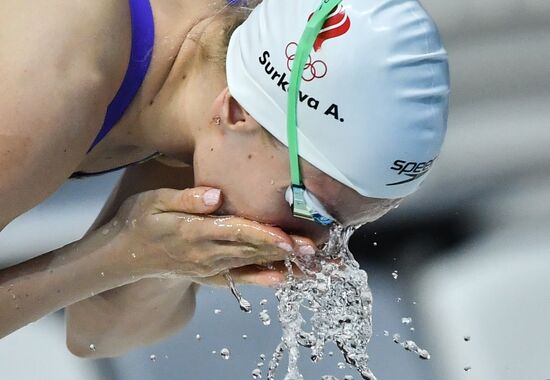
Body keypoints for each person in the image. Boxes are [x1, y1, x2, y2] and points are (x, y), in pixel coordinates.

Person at [0, 0, 449, 358]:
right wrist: (121, 250)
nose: (311, 244)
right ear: (237, 111)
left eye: (342, 227)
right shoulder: (52, 79)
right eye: (308, 206)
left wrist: (157, 257)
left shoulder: (213, 92)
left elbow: (95, 335)